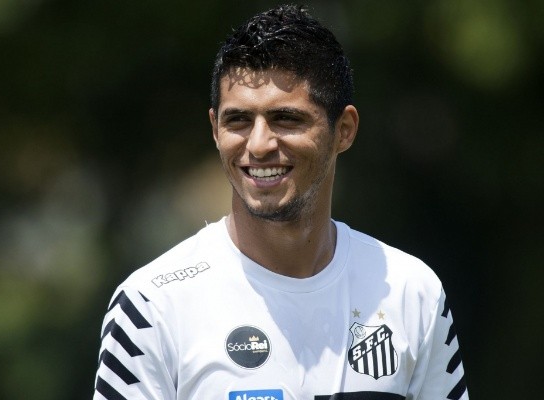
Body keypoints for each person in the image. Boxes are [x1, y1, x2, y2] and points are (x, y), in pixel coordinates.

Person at [93, 4, 468, 400]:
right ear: (215, 130)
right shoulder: (152, 307)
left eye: (286, 119)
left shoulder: (414, 294)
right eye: (238, 120)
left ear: (344, 130)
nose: (258, 145)